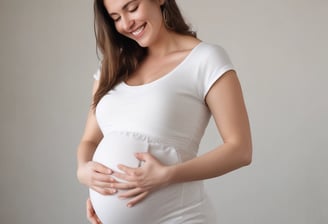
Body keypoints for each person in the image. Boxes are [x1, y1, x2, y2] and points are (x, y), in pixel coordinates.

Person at [76, 0, 252, 223]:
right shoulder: (112, 67)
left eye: (132, 8)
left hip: (180, 217)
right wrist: (84, 171)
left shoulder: (205, 59)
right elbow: (89, 140)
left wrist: (168, 175)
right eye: (116, 18)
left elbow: (240, 149)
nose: (127, 23)